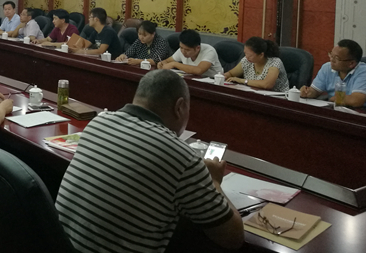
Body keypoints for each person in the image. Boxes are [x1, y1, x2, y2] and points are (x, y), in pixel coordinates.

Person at [56, 69, 244, 253]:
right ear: (180, 107)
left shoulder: (98, 123)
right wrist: (214, 181)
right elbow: (233, 237)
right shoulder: (182, 157)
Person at [300, 39, 366, 112]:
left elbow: (356, 101)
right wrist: (308, 92)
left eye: (336, 58)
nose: (331, 60)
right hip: (339, 110)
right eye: (331, 55)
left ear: (351, 63)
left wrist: (334, 98)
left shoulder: (365, 72)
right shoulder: (327, 67)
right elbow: (315, 91)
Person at [225, 37, 289, 92]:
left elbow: (267, 84)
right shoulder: (246, 61)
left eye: (250, 55)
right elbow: (231, 73)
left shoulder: (274, 62)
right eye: (245, 53)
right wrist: (224, 76)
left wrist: (242, 81)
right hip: (254, 95)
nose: (246, 57)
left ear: (261, 55)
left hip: (278, 98)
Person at [158, 29, 224, 77]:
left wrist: (174, 64)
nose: (183, 52)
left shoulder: (209, 51)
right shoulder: (182, 49)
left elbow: (199, 70)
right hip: (192, 79)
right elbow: (167, 61)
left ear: (197, 48)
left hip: (213, 83)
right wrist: (162, 63)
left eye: (187, 50)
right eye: (181, 47)